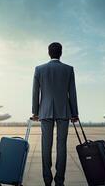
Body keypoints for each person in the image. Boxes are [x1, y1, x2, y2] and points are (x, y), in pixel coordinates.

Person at [31, 42, 79, 186]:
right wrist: (74, 113)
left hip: (45, 112)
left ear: (48, 52)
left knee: (46, 146)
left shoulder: (39, 69)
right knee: (61, 146)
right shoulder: (68, 69)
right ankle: (59, 181)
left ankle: (47, 180)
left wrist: (35, 111)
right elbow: (72, 93)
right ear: (61, 53)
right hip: (64, 111)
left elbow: (35, 92)